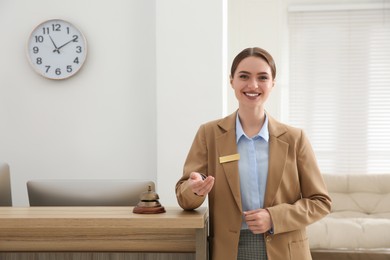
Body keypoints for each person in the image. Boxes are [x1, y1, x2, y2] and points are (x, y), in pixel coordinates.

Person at [175, 47, 331, 260]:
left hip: (285, 249)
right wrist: (194, 189)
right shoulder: (209, 134)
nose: (253, 85)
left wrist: (274, 217)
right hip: (229, 250)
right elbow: (184, 197)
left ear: (272, 83)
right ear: (232, 81)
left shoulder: (295, 138)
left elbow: (320, 202)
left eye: (263, 77)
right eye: (244, 76)